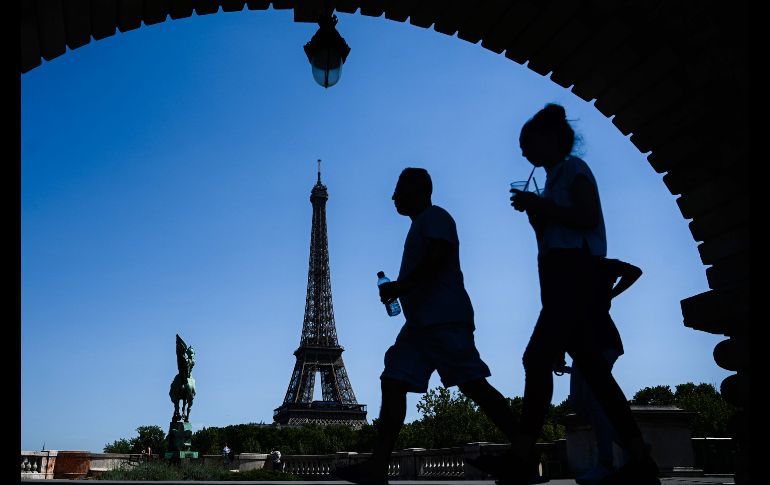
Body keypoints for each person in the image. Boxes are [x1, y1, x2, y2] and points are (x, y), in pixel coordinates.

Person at [474, 104, 659, 485]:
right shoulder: (558, 176)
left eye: (528, 144)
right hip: (565, 280)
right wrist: (536, 214)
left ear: (552, 140)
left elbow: (587, 219)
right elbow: (560, 233)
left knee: (537, 359)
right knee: (592, 371)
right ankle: (640, 461)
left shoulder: (574, 170)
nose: (524, 152)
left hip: (573, 278)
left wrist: (540, 205)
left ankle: (522, 456)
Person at [334, 167, 520, 485]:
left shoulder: (435, 217)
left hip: (444, 319)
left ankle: (525, 453)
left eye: (399, 189)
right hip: (421, 325)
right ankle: (378, 466)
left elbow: (437, 258)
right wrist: (402, 289)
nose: (393, 196)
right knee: (393, 381)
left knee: (474, 386)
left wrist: (400, 287)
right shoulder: (421, 224)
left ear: (418, 190)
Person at [554, 257, 643, 484]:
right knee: (580, 404)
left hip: (602, 343)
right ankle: (631, 445)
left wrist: (611, 294)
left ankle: (606, 463)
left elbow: (635, 271)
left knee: (595, 401)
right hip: (582, 347)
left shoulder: (599, 264)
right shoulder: (565, 272)